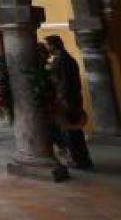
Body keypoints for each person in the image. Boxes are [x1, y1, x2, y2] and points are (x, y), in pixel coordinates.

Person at [46, 35, 93, 169]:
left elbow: (65, 84)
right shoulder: (66, 59)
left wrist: (61, 100)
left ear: (54, 45)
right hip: (71, 100)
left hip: (68, 102)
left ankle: (80, 160)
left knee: (72, 133)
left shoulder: (63, 61)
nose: (48, 48)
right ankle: (81, 159)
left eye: (48, 45)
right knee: (73, 132)